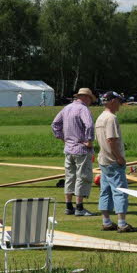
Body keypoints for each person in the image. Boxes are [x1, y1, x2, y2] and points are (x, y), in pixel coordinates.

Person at [51, 87, 97, 216]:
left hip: (68, 149)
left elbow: (55, 124)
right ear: (86, 97)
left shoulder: (67, 108)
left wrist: (62, 138)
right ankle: (80, 207)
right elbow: (89, 125)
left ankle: (68, 206)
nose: (90, 102)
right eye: (90, 99)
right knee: (82, 177)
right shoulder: (83, 109)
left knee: (69, 177)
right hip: (81, 149)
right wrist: (89, 140)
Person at [95, 91, 135, 232]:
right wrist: (119, 157)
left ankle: (106, 221)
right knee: (120, 191)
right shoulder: (111, 118)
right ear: (112, 101)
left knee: (105, 191)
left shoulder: (100, 117)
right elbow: (111, 140)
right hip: (112, 160)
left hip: (103, 160)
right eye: (118, 101)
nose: (120, 104)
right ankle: (122, 223)